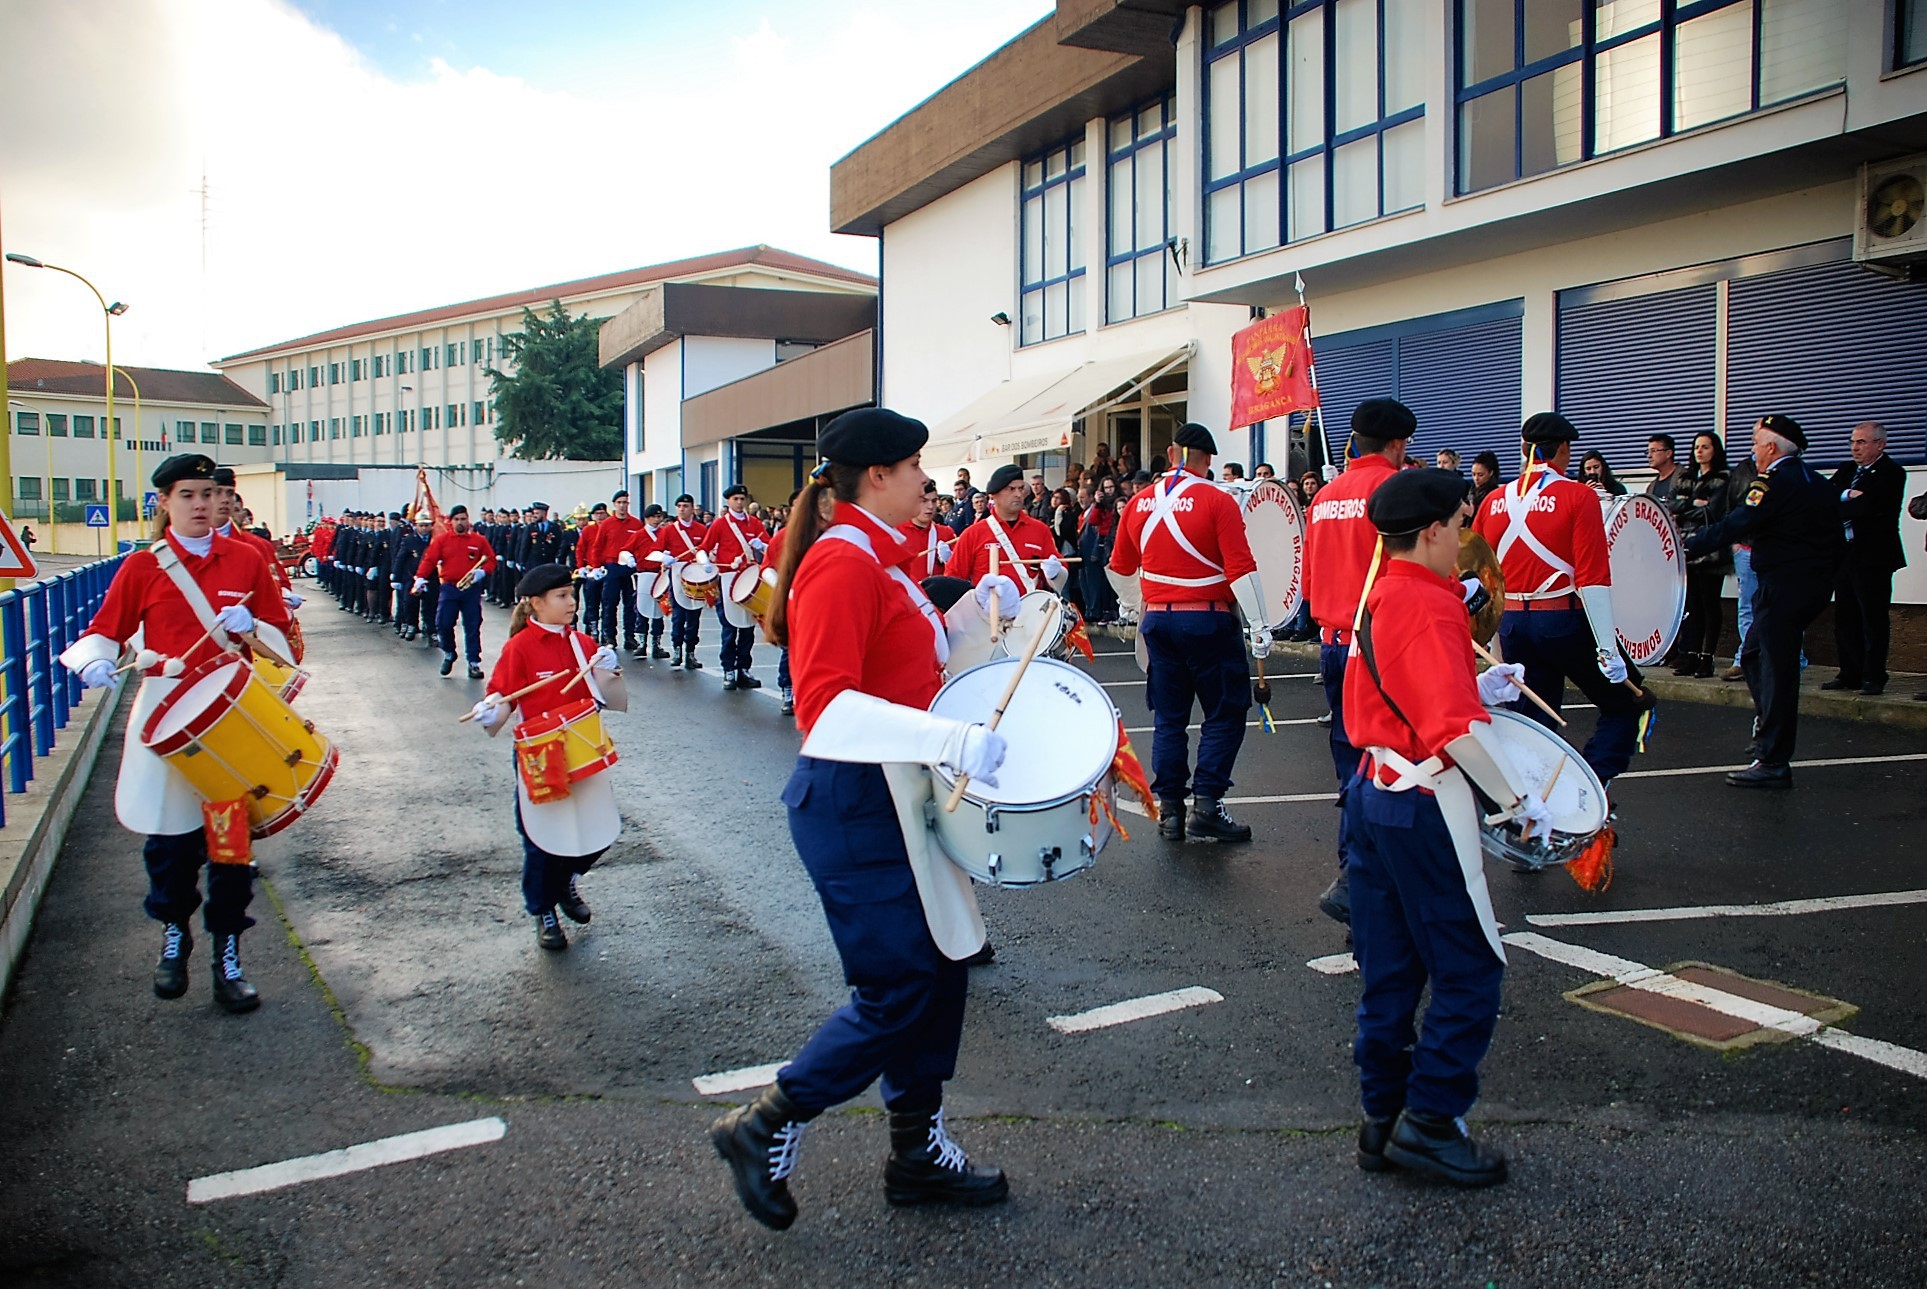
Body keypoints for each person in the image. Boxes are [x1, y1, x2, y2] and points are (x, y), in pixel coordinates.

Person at [711, 407, 1011, 1230]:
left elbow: (909, 672)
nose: (926, 481)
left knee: (943, 968)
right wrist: (953, 735)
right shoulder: (842, 565)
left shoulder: (882, 558)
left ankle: (916, 1149)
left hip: (896, 794)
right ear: (876, 475)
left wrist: (974, 623)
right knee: (898, 984)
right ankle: (766, 1121)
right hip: (853, 800)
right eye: (916, 467)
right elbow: (828, 709)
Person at [1342, 467, 1548, 1188]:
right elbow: (1453, 731)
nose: (1465, 536)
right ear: (1430, 530)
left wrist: (1472, 676)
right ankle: (1429, 1121)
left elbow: (1390, 685)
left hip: (1373, 793)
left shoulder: (1385, 589)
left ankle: (1382, 1118)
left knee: (1391, 969)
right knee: (1469, 968)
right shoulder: (1429, 604)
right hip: (1422, 800)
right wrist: (1517, 800)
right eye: (1459, 524)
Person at [57, 453, 293, 1013]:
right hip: (167, 712)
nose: (202, 505)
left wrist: (254, 626)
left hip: (231, 717)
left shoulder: (247, 559)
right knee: (169, 844)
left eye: (210, 494)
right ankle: (174, 935)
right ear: (164, 502)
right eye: (188, 495)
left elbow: (281, 642)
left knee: (231, 847)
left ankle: (228, 955)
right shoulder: (143, 567)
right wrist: (93, 661)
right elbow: (105, 632)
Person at [1108, 422, 1267, 843]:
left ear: (1172, 453)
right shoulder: (1217, 500)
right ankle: (1208, 805)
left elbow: (1119, 567)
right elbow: (1241, 569)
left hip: (1158, 618)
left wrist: (1138, 603)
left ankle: (1172, 812)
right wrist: (1260, 625)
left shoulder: (1138, 503)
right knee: (1224, 712)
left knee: (1170, 719)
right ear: (1208, 459)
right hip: (1208, 618)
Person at [1473, 413, 1650, 791]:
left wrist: (1490, 638)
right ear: (1565, 449)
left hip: (1513, 624)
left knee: (1536, 720)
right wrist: (1608, 650)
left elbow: (1479, 573)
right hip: (1562, 621)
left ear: (1524, 450)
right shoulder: (1578, 495)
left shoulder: (1492, 500)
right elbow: (1593, 577)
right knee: (1627, 705)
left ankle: (1536, 797)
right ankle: (1588, 788)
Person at [1300, 399, 1415, 924]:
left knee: (1351, 760)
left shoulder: (1324, 496)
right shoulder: (1392, 491)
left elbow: (1307, 581)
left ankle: (1355, 872)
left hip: (1332, 640)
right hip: (1378, 642)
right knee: (1388, 763)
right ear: (1395, 444)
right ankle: (1364, 881)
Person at [467, 564, 622, 950]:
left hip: (583, 749)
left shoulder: (582, 643)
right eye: (562, 596)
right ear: (536, 604)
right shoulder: (519, 648)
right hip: (542, 755)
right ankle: (544, 909)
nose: (572, 602)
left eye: (572, 594)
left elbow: (610, 698)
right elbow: (502, 700)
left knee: (596, 831)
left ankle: (566, 880)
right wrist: (490, 709)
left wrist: (610, 673)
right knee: (542, 839)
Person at [1685, 415, 1842, 787]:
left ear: (1771, 447)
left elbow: (1739, 521)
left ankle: (1773, 759)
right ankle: (1768, 729)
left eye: (1756, 443)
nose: (1753, 450)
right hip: (1807, 587)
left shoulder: (1774, 481)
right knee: (1755, 655)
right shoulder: (1814, 481)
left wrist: (1688, 543)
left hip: (1784, 587)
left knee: (1777, 669)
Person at [1823, 422, 1907, 696]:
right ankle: (1850, 672)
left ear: (1880, 444)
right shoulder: (1847, 471)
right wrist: (1845, 496)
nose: (1855, 448)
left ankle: (1873, 675)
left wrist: (1842, 503)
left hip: (1873, 556)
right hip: (1845, 554)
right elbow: (1824, 497)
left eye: (1861, 442)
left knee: (1872, 617)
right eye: (1853, 442)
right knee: (1845, 616)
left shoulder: (1892, 473)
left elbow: (1870, 507)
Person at [946, 463, 1067, 598]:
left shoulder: (1040, 530)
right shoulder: (973, 533)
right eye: (1011, 489)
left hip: (1030, 613)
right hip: (986, 615)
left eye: (1021, 488)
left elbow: (1060, 571)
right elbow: (953, 577)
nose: (1018, 494)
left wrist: (1055, 573)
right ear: (994, 495)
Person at [1666, 432, 1732, 677]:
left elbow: (1714, 512)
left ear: (1715, 450)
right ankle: (1690, 655)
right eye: (1696, 447)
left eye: (1705, 447)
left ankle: (1708, 656)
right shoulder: (1686, 476)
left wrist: (1688, 507)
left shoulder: (1724, 478)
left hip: (1712, 549)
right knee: (1691, 604)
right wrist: (1694, 504)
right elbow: (1672, 505)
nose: (1700, 451)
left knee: (1709, 604)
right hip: (1687, 549)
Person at [701, 484, 771, 690]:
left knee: (748, 627)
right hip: (729, 578)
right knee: (730, 626)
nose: (740, 503)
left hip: (749, 578)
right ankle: (729, 669)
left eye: (742, 499)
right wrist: (705, 562)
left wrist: (763, 545)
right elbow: (704, 547)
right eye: (736, 499)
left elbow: (770, 547)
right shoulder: (720, 524)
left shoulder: (755, 523)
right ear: (729, 501)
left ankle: (743, 669)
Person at [415, 504, 496, 679]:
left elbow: (491, 560)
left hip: (471, 589)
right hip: (450, 588)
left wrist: (482, 572)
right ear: (451, 522)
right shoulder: (443, 541)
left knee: (472, 625)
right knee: (443, 623)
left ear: (468, 520)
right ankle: (449, 652)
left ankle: (473, 662)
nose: (460, 523)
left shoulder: (479, 540)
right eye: (457, 519)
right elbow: (429, 560)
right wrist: (420, 577)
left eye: (463, 519)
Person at [662, 494, 709, 669]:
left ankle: (690, 652)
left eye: (686, 506)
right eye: (679, 505)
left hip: (696, 575)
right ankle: (677, 650)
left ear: (692, 508)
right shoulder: (669, 530)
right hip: (677, 576)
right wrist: (665, 557)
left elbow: (708, 549)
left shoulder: (701, 530)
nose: (682, 509)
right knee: (678, 615)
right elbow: (657, 550)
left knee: (694, 615)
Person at [596, 491, 645, 652]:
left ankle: (629, 636)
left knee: (630, 604)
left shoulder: (636, 524)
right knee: (610, 603)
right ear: (614, 504)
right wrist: (597, 565)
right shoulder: (607, 524)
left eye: (625, 502)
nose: (623, 505)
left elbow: (641, 545)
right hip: (612, 566)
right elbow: (598, 546)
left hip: (630, 568)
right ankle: (609, 636)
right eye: (619, 502)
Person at [897, 480, 956, 579]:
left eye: (934, 501)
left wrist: (951, 560)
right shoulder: (896, 532)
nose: (930, 506)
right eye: (923, 501)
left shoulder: (946, 533)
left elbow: (958, 573)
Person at [392, 511, 436, 641]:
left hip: (431, 578)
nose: (424, 528)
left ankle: (431, 629)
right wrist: (396, 577)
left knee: (431, 605)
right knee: (410, 603)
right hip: (412, 577)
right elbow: (400, 558)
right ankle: (411, 625)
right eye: (421, 525)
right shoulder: (409, 540)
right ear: (416, 525)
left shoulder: (435, 540)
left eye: (426, 525)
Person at [1077, 483, 1116, 623]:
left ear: (1091, 497)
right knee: (1085, 582)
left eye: (1083, 497)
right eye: (1078, 497)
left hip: (1093, 552)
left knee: (1095, 583)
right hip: (1083, 553)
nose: (1080, 500)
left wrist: (1095, 551)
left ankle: (1095, 610)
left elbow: (1096, 526)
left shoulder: (1096, 510)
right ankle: (1089, 609)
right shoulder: (1082, 513)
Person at [574, 502, 608, 639]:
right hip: (591, 570)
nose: (600, 517)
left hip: (607, 569)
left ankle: (606, 630)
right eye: (597, 514)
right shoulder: (588, 530)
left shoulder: (610, 527)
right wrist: (581, 566)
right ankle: (592, 627)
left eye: (602, 514)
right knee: (591, 601)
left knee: (607, 602)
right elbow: (580, 549)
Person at [1644, 434, 1679, 503]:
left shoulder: (1685, 480)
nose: (1649, 456)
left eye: (1654, 451)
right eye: (1648, 452)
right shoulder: (1651, 487)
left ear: (1668, 453)